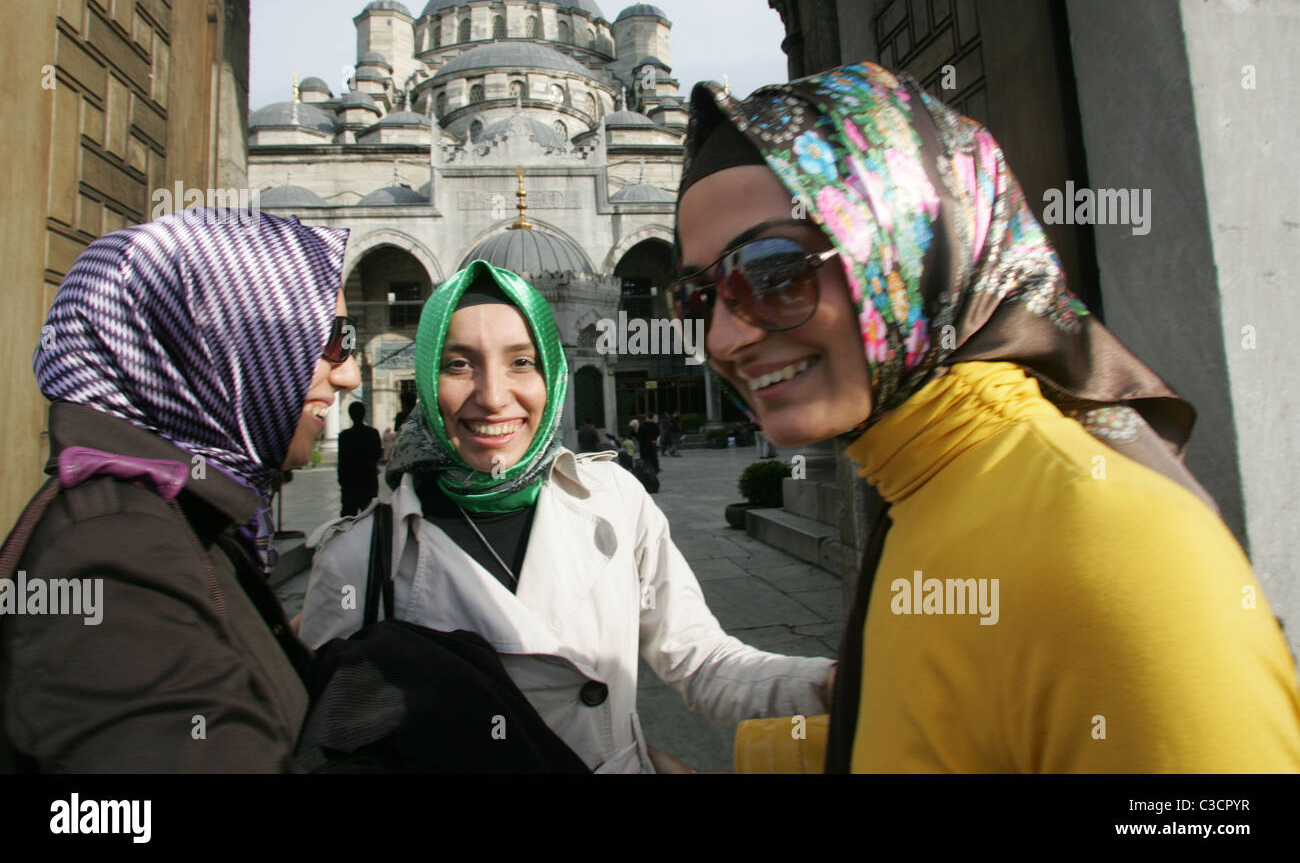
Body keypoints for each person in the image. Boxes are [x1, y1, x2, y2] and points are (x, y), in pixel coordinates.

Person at [671, 62, 1300, 772]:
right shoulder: (930, 492)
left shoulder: (1108, 544)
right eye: (697, 299)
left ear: (909, 246)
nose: (724, 338)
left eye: (772, 272)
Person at [298, 260, 834, 773]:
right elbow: (335, 744)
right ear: (426, 379)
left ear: (552, 374)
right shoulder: (359, 559)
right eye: (458, 363)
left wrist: (835, 685)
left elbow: (700, 663)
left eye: (521, 361)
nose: (492, 395)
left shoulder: (613, 501)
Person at [1, 207, 359, 772]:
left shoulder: (179, 514)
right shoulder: (114, 551)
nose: (348, 374)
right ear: (217, 345)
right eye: (331, 340)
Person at [337, 401, 383, 517]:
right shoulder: (372, 433)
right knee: (369, 514)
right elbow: (377, 453)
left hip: (350, 481)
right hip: (368, 478)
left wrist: (342, 480)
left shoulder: (344, 436)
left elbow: (342, 460)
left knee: (348, 515)